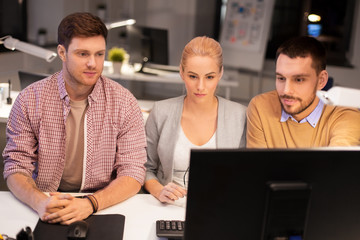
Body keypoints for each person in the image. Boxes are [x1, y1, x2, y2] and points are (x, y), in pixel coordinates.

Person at [2, 12, 147, 224]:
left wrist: (90, 204)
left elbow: (133, 172)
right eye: (83, 54)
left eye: (99, 54)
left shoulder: (124, 102)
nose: (93, 63)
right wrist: (39, 202)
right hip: (46, 202)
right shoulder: (29, 99)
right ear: (62, 52)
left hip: (102, 203)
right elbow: (15, 166)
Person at [144, 36, 247, 205]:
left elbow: (244, 173)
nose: (200, 86)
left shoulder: (240, 116)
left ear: (220, 73)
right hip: (166, 207)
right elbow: (146, 168)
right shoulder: (161, 112)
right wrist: (158, 190)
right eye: (193, 76)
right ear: (181, 72)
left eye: (209, 77)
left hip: (218, 208)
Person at [246, 36, 360, 148]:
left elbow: (335, 164)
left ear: (321, 80)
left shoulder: (346, 114)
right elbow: (258, 165)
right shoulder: (261, 106)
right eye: (281, 78)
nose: (286, 90)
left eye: (299, 80)